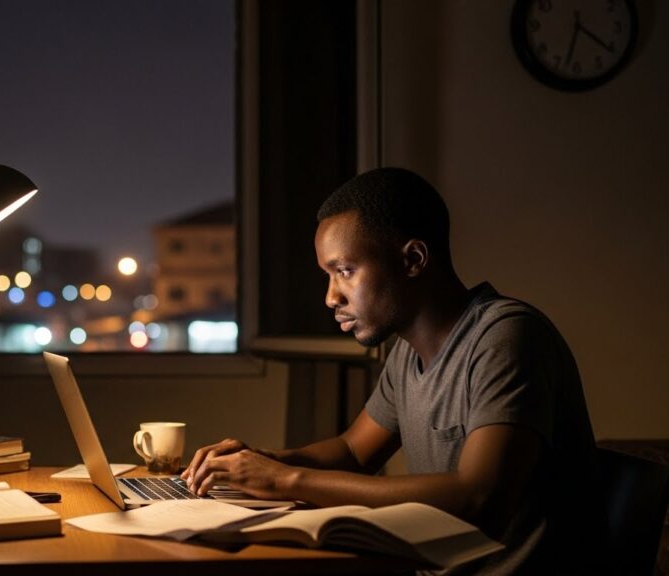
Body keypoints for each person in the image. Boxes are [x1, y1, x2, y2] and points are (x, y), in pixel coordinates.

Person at [182, 167, 604, 574]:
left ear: (413, 259)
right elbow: (354, 452)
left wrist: (286, 480)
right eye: (328, 275)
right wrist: (261, 462)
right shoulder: (406, 353)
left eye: (344, 271)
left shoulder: (506, 336)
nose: (331, 297)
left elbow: (479, 497)